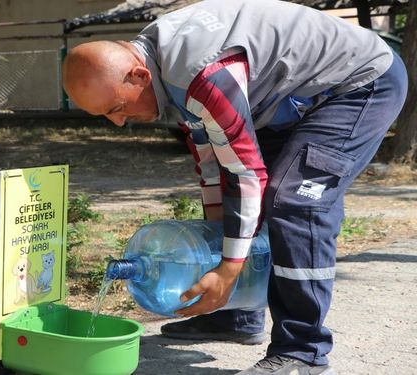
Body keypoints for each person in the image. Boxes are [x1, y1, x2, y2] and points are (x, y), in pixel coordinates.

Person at [62, 0, 408, 373]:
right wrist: (217, 254)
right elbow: (215, 167)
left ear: (138, 76)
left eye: (115, 107)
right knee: (242, 201)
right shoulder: (162, 65)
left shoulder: (203, 74)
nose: (118, 123)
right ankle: (236, 313)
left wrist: (227, 270)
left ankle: (302, 350)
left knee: (295, 203)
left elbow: (246, 174)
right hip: (285, 98)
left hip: (358, 83)